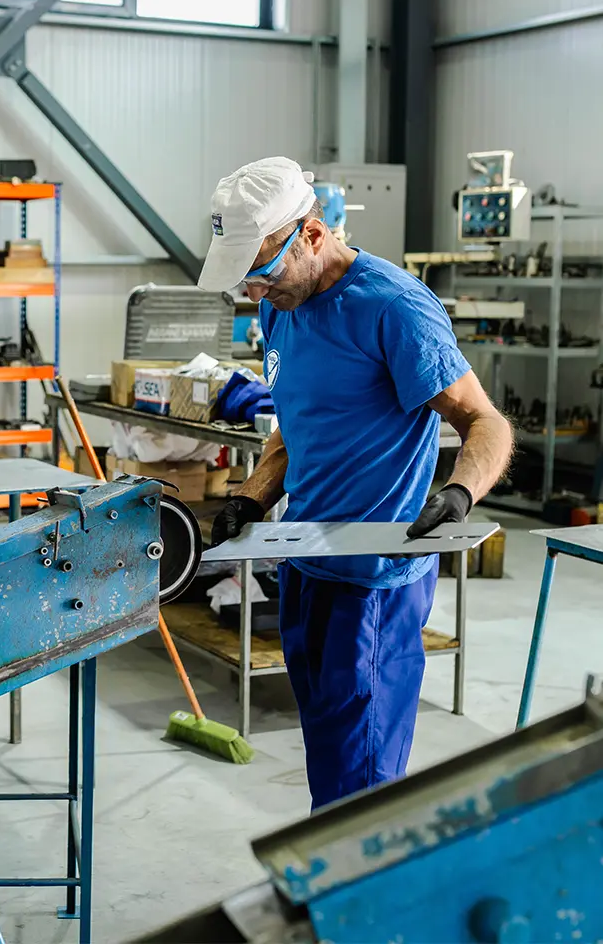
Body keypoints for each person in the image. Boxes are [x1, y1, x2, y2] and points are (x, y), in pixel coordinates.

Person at [199, 156, 513, 810]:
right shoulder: (282, 307)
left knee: (362, 783)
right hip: (305, 560)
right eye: (245, 281)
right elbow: (295, 424)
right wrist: (252, 496)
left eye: (262, 273)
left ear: (312, 234)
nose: (255, 295)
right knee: (330, 756)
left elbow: (483, 421)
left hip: (373, 582)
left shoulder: (394, 307)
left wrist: (459, 494)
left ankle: (360, 873)